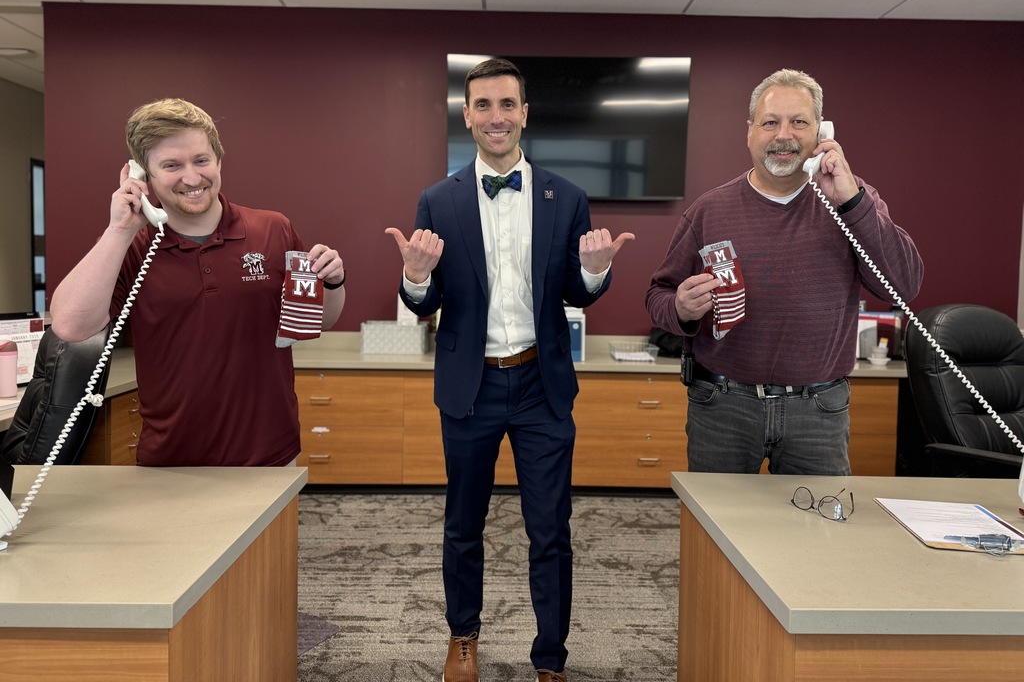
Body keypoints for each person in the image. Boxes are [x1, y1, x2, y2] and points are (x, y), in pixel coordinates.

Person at [386, 58, 633, 682]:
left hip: (540, 387)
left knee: (550, 530)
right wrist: (414, 277)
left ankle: (551, 658)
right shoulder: (437, 199)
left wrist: (596, 270)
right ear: (467, 115)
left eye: (507, 104)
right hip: (470, 387)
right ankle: (463, 637)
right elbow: (426, 302)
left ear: (524, 113)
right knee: (463, 524)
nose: (496, 117)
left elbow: (576, 291)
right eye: (483, 105)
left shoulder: (566, 197)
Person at [646, 68, 923, 476]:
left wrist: (851, 201)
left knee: (817, 519)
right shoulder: (709, 210)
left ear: (822, 132)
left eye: (799, 122)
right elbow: (658, 296)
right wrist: (681, 309)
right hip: (723, 406)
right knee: (718, 518)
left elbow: (904, 285)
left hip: (818, 412)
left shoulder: (851, 201)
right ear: (750, 132)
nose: (784, 135)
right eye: (770, 123)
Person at [49, 98, 346, 467]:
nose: (192, 178)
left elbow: (319, 321)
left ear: (218, 160)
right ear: (140, 175)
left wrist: (333, 282)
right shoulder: (131, 245)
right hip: (171, 460)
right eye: (171, 165)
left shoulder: (273, 228)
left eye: (201, 160)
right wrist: (120, 229)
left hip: (270, 453)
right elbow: (70, 326)